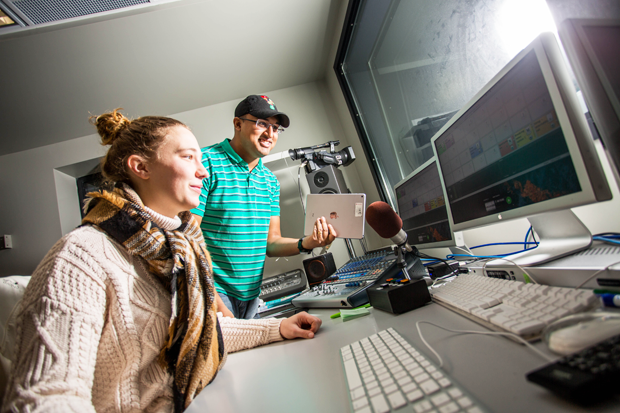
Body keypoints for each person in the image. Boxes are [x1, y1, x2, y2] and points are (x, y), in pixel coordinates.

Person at [1, 109, 322, 413]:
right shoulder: (79, 256)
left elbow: (200, 334)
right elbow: (44, 399)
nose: (202, 170)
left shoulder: (180, 250)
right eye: (187, 158)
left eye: (200, 159)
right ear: (141, 167)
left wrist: (277, 327)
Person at [192, 95, 337, 319]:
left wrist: (307, 243)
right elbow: (187, 241)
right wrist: (216, 304)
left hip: (252, 297)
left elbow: (271, 243)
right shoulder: (205, 163)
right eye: (262, 124)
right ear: (238, 124)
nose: (270, 134)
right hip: (214, 293)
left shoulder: (270, 181)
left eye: (276, 128)